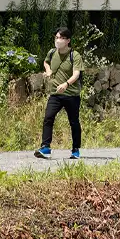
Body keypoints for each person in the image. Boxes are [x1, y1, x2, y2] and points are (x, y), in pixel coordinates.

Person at [34, 27, 83, 160]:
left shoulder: (75, 55)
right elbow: (46, 62)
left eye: (61, 38)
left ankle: (75, 150)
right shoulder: (51, 52)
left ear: (68, 40)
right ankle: (45, 148)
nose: (58, 40)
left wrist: (66, 84)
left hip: (72, 94)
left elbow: (76, 74)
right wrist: (48, 70)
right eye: (56, 37)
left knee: (74, 122)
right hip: (55, 93)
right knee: (48, 117)